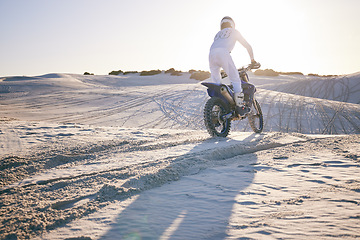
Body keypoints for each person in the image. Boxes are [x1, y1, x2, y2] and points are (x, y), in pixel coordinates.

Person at [209, 16, 258, 115]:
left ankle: (218, 107)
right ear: (232, 24)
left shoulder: (217, 34)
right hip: (223, 53)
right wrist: (252, 60)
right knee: (235, 79)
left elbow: (219, 48)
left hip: (211, 55)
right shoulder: (234, 31)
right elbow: (247, 46)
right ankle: (240, 107)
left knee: (217, 84)